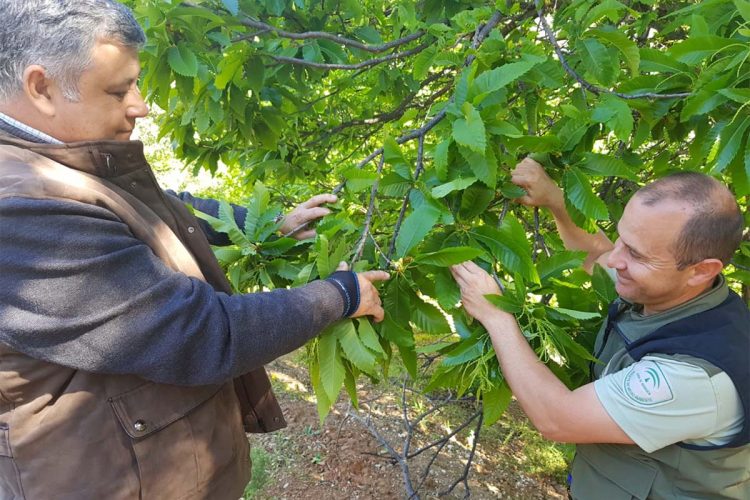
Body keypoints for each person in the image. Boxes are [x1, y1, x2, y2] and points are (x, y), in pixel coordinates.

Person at [0, 1, 389, 498]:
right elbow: (199, 333)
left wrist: (270, 225)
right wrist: (340, 295)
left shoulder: (63, 165)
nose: (140, 104)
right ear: (41, 88)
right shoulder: (20, 209)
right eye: (119, 90)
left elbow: (164, 208)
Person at [451, 158, 749, 499]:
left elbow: (557, 418)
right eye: (622, 238)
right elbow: (598, 253)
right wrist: (556, 201)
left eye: (636, 255)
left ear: (700, 270)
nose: (616, 259)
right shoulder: (670, 292)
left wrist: (496, 316)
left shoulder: (695, 375)